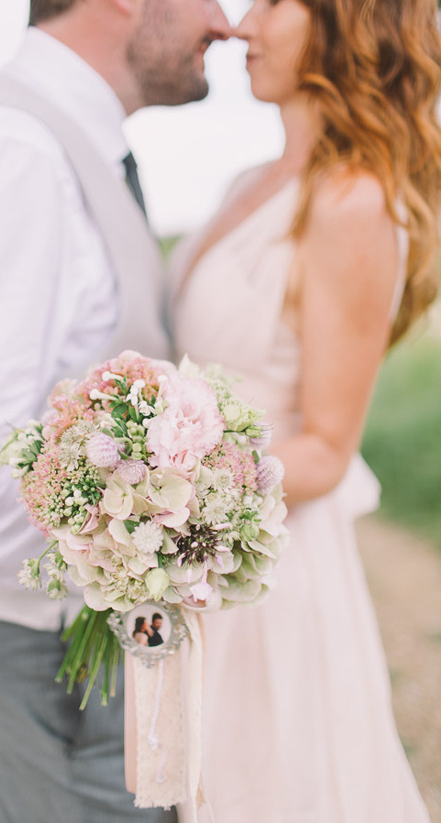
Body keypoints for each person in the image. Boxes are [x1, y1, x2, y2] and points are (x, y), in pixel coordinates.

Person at [0, 0, 231, 820]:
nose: (225, 21)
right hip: (39, 644)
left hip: (60, 635)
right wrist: (137, 552)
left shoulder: (61, 146)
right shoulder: (6, 152)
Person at [172, 0, 441, 820]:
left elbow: (326, 445)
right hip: (197, 559)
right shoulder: (248, 183)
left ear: (346, 22)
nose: (241, 27)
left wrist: (166, 498)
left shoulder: (352, 202)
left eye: (273, 3)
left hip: (266, 575)